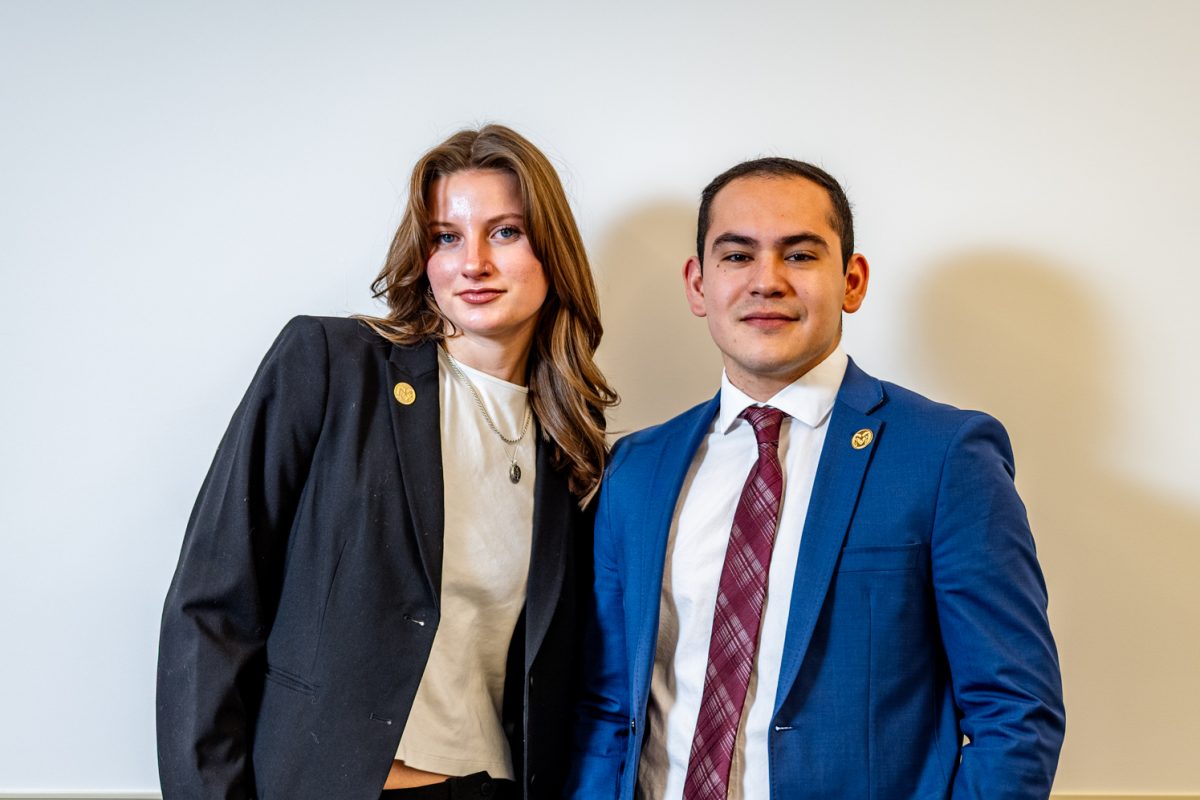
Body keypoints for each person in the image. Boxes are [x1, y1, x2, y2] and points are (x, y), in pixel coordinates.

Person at [567, 158, 1065, 799]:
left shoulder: (944, 457)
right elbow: (608, 708)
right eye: (737, 256)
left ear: (851, 281)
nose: (767, 282)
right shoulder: (636, 469)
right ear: (698, 286)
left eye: (800, 256)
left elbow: (1014, 712)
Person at [157, 124, 616, 800]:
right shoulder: (331, 366)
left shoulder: (570, 440)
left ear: (552, 249)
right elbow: (212, 608)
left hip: (489, 785)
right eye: (447, 237)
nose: (474, 263)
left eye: (506, 232)